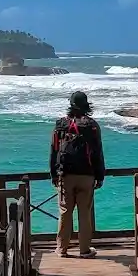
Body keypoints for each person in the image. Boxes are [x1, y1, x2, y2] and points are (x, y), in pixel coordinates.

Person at [49, 90, 105, 258]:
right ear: (86, 105)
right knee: (84, 212)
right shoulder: (92, 126)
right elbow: (98, 153)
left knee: (65, 211)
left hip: (65, 174)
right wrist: (100, 176)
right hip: (87, 175)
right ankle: (84, 250)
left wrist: (53, 174)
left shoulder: (60, 125)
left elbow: (54, 151)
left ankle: (62, 249)